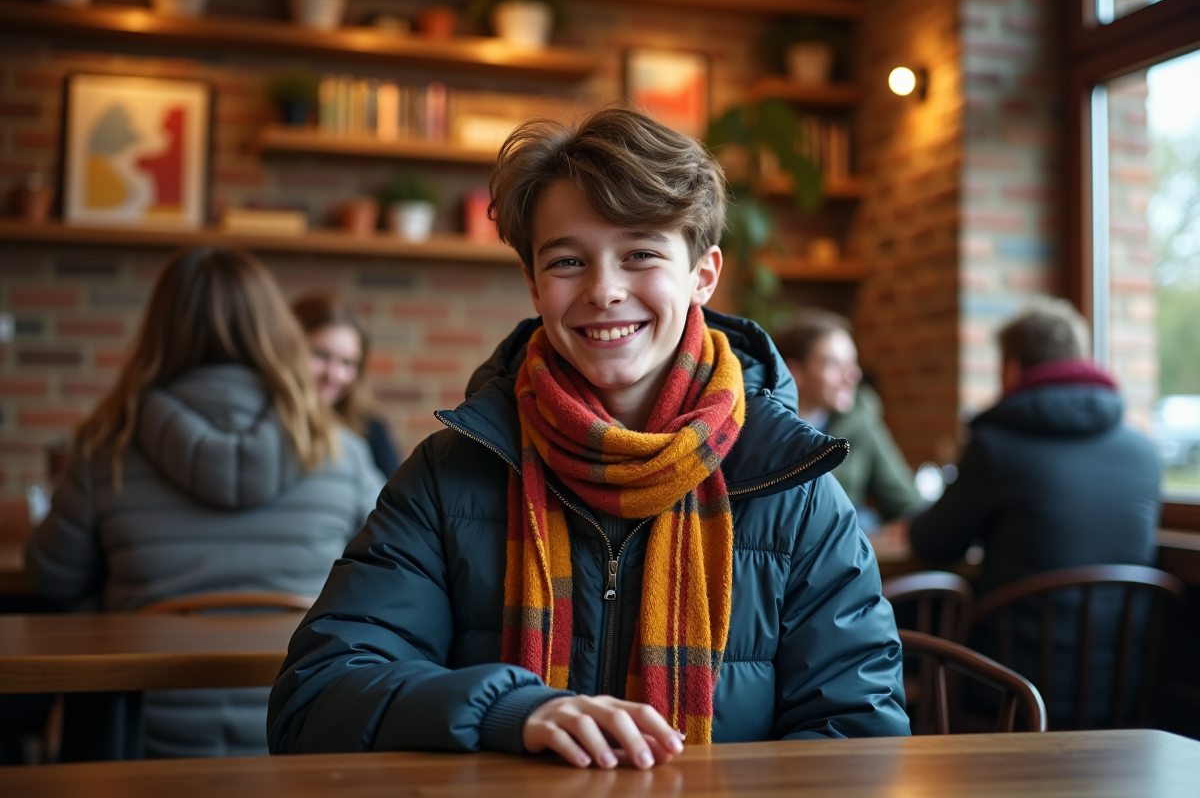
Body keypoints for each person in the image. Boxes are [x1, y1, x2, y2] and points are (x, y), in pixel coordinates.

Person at [268, 106, 908, 767]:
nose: (604, 291)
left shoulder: (798, 494)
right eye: (569, 261)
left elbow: (860, 745)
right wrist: (509, 708)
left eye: (640, 254)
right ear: (534, 285)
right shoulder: (447, 475)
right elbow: (315, 698)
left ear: (703, 274)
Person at [25, 247, 384, 758]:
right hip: (302, 727)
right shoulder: (341, 449)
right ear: (274, 328)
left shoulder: (108, 448)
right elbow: (387, 580)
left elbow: (52, 576)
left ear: (159, 330)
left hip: (145, 733)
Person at [908, 297, 1160, 726]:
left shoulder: (995, 446)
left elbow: (933, 543)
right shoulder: (1143, 451)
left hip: (1012, 692)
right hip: (1121, 695)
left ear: (1011, 370)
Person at [774, 310, 923, 530]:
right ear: (795, 372)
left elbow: (905, 502)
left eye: (852, 363)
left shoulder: (860, 419)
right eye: (834, 364)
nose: (852, 376)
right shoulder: (765, 429)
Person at [292, 293, 402, 478]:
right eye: (320, 355)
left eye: (347, 363)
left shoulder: (370, 427)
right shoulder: (265, 421)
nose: (333, 375)